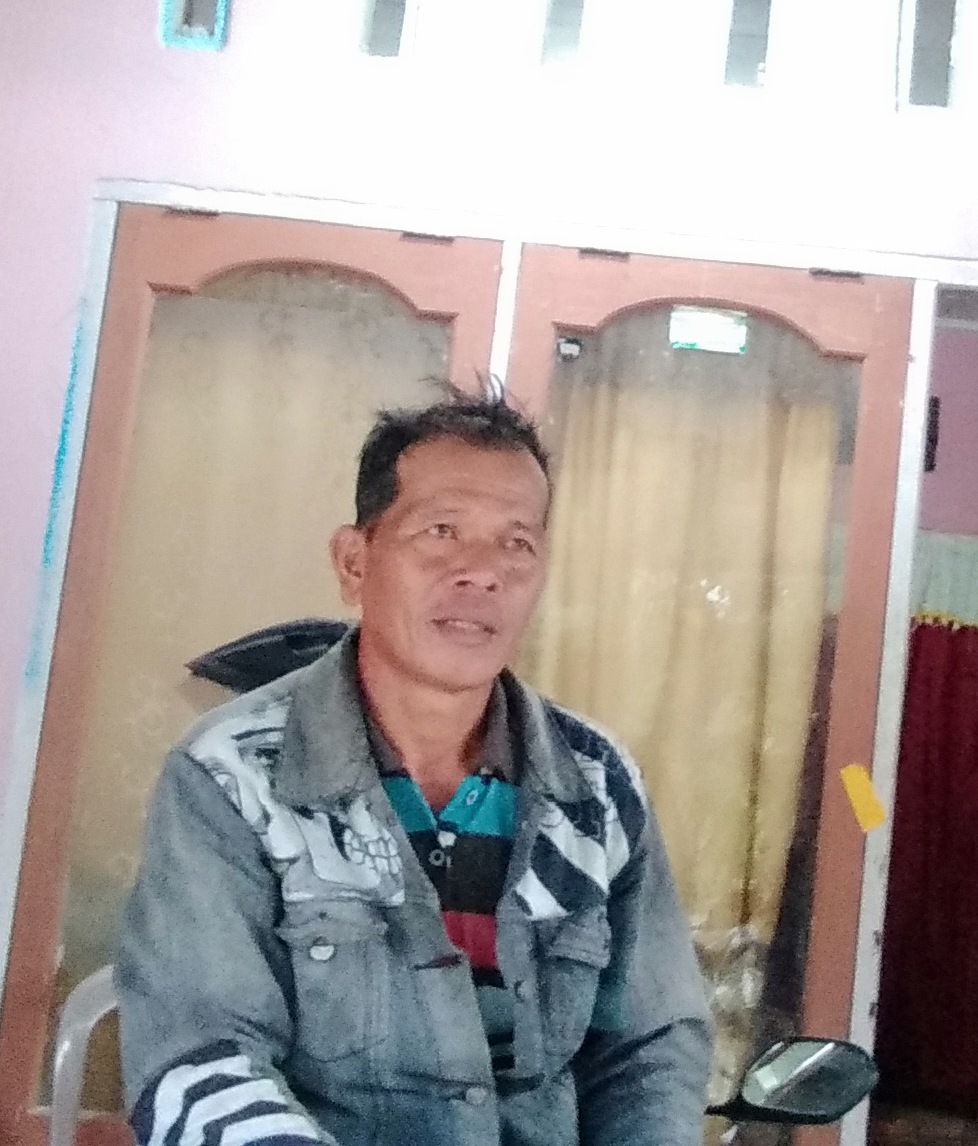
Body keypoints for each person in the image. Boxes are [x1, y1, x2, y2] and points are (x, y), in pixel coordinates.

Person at [114, 392, 711, 1145]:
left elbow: (649, 1049)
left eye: (517, 543)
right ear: (354, 562)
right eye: (442, 531)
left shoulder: (595, 786)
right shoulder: (234, 777)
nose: (483, 573)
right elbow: (201, 1058)